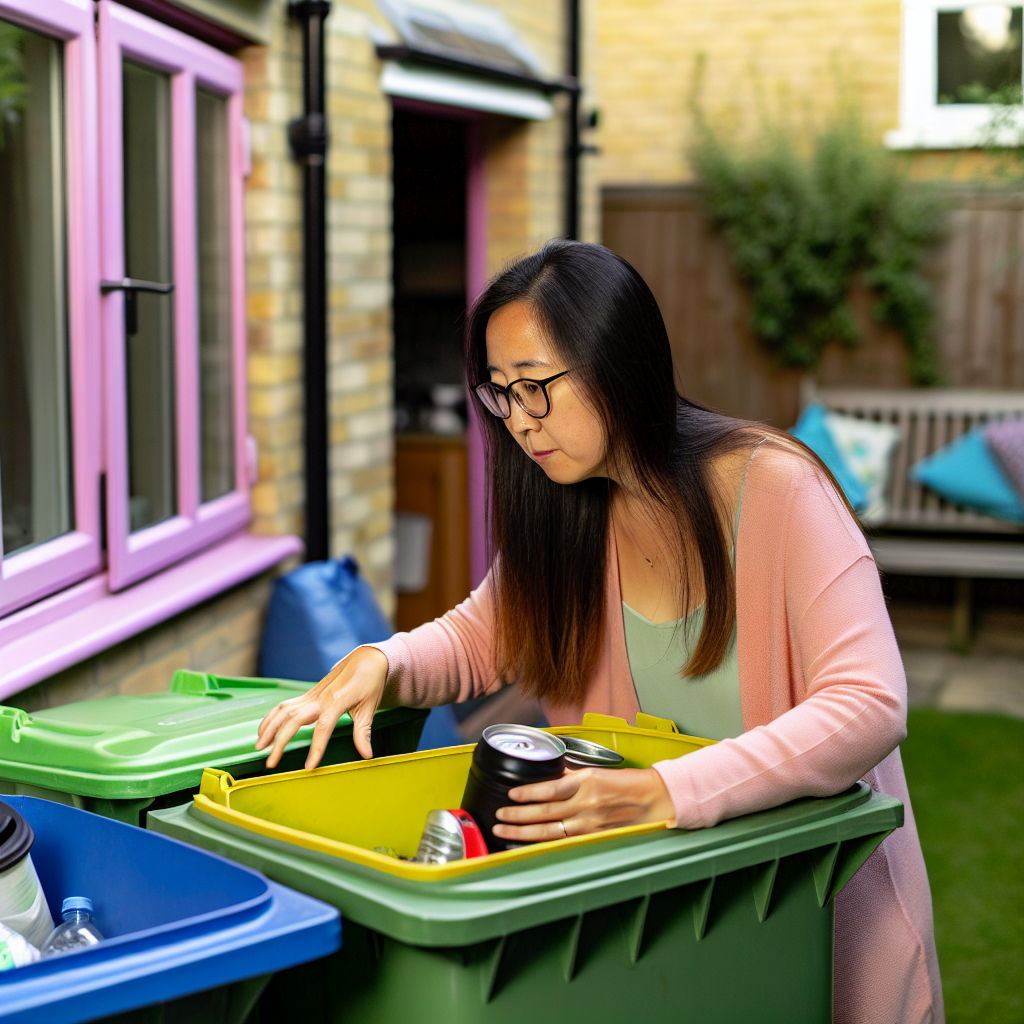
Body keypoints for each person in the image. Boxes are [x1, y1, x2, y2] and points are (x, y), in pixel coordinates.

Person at [256, 240, 943, 1024]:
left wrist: (660, 794)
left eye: (538, 387)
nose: (519, 420)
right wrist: (382, 660)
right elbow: (483, 636)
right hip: (660, 921)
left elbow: (870, 703)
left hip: (808, 915)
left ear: (617, 362)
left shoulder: (778, 488)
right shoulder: (569, 508)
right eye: (500, 394)